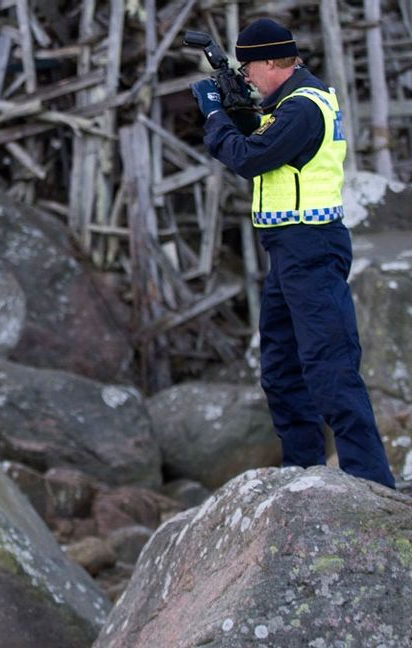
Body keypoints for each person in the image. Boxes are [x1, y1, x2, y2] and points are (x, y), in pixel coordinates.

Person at [190, 18, 396, 488]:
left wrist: (216, 116)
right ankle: (302, 472)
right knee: (281, 368)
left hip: (312, 246)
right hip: (286, 249)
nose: (246, 77)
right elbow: (261, 136)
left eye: (247, 68)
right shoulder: (289, 102)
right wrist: (235, 108)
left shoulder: (302, 108)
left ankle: (374, 482)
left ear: (269, 61)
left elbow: (248, 157)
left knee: (330, 367)